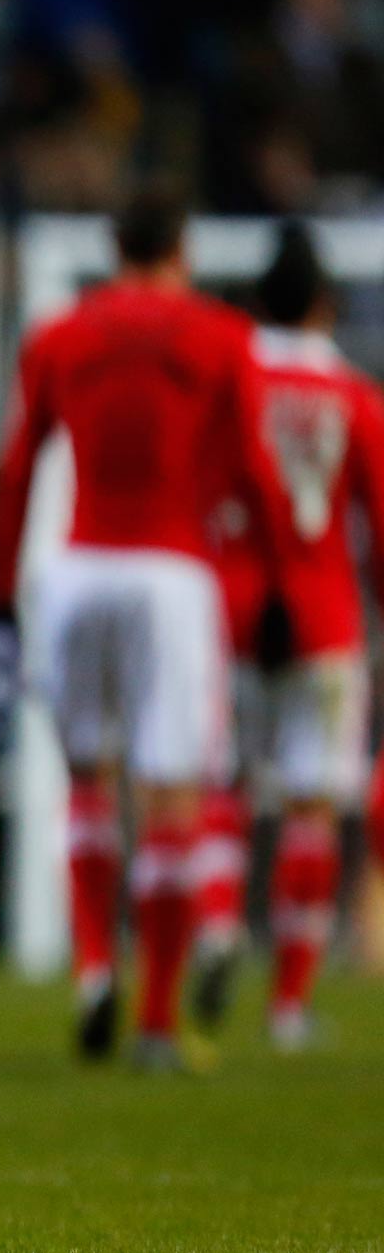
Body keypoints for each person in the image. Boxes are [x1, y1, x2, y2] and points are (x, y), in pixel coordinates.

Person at [0, 187, 284, 1072]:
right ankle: (156, 1019)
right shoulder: (221, 336)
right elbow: (253, 476)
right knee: (170, 793)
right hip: (171, 570)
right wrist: (270, 590)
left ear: (112, 248)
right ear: (182, 250)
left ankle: (89, 966)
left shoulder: (61, 334)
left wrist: (4, 593)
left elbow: (16, 469)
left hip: (76, 570)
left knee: (86, 781)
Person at [202, 225, 384, 1051]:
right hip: (322, 614)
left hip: (229, 608)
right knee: (314, 802)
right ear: (325, 304)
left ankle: (213, 928)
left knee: (219, 787)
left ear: (252, 300)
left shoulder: (227, 378)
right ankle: (288, 1009)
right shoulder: (355, 397)